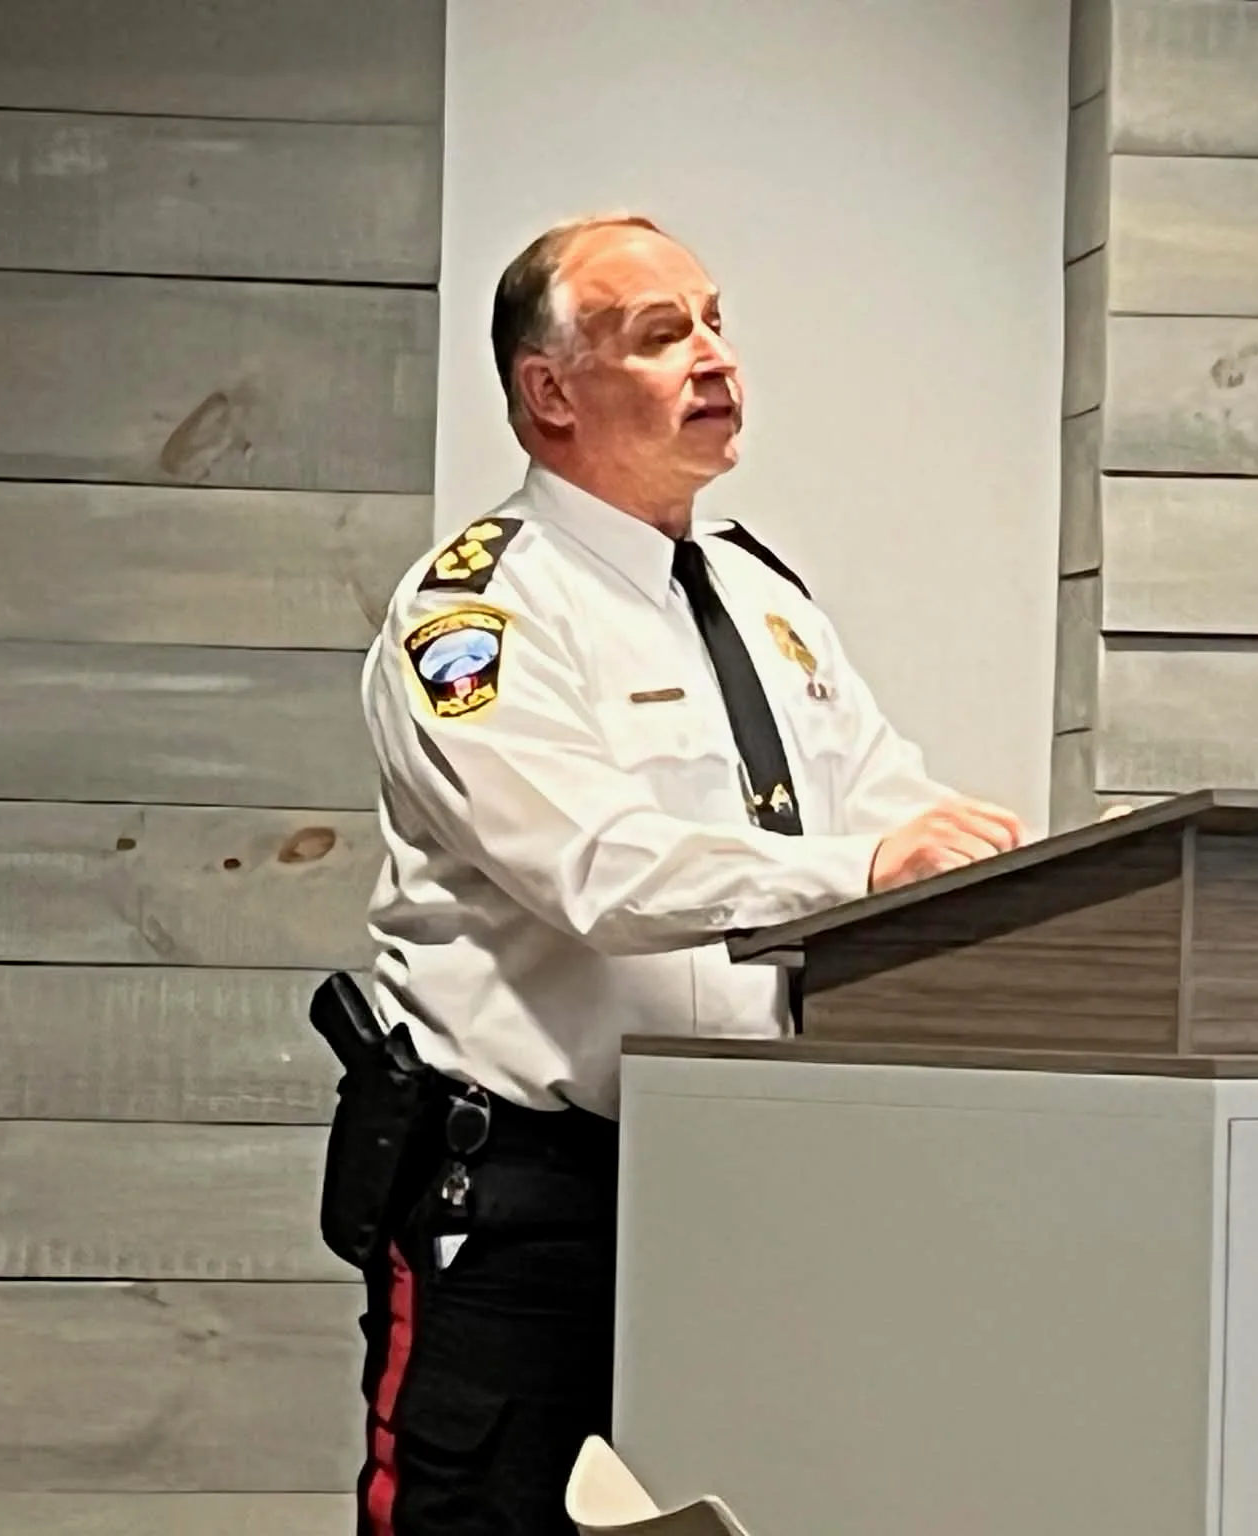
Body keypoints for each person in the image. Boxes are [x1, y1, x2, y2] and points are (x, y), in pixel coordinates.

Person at [348, 211, 1027, 1536]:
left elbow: (889, 805)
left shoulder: (764, 597)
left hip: (744, 1193)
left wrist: (1032, 864)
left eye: (716, 322)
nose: (715, 359)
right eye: (664, 336)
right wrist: (863, 866)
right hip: (525, 1210)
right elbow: (593, 870)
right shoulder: (478, 614)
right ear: (549, 393)